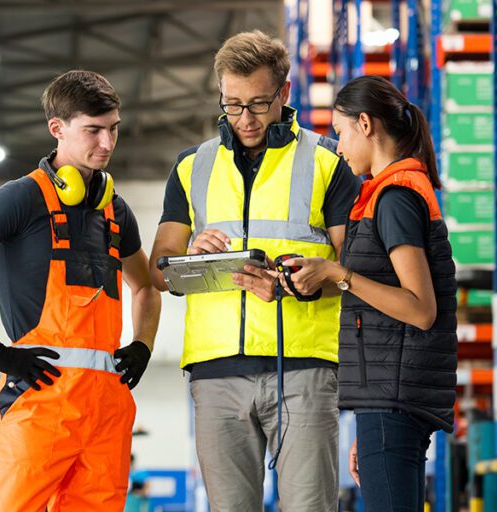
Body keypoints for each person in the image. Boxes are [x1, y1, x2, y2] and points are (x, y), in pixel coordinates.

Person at [0, 70, 161, 512]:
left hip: (106, 409)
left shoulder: (116, 211)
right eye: (93, 130)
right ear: (58, 129)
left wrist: (143, 344)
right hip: (42, 398)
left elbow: (145, 286)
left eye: (114, 129)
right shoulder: (22, 198)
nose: (107, 143)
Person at [149, 30, 359, 511]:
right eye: (232, 105)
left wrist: (299, 283)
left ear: (284, 94)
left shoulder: (328, 162)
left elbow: (351, 269)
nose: (245, 119)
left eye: (259, 105)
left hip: (304, 369)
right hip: (216, 372)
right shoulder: (192, 166)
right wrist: (191, 255)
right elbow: (160, 268)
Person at [273, 75, 458, 511]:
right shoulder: (388, 194)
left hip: (394, 399)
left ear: (365, 124)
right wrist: (367, 423)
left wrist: (340, 274)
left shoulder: (394, 199)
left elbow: (420, 309)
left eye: (341, 133)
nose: (339, 147)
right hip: (389, 399)